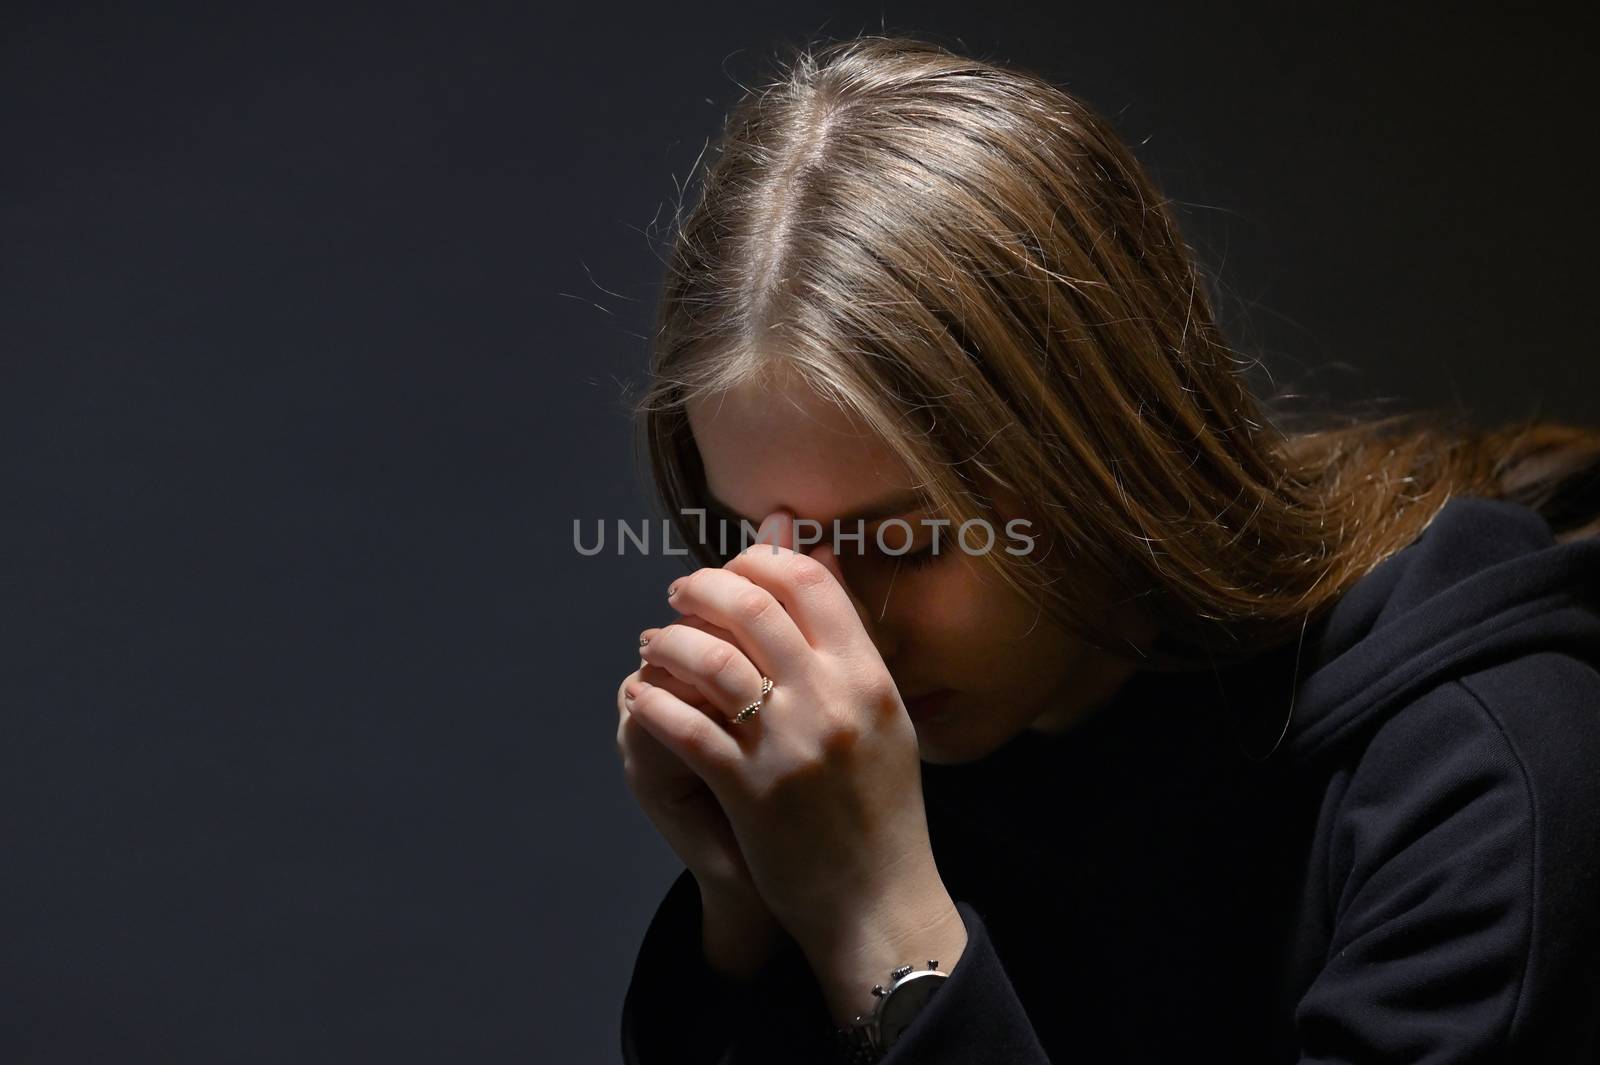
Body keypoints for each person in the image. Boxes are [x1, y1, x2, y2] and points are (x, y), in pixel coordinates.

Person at [612, 33, 1600, 1064]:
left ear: (1097, 453)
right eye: (764, 544)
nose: (838, 638)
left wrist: (883, 928)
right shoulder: (861, 785)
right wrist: (747, 912)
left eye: (905, 543)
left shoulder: (1486, 779)